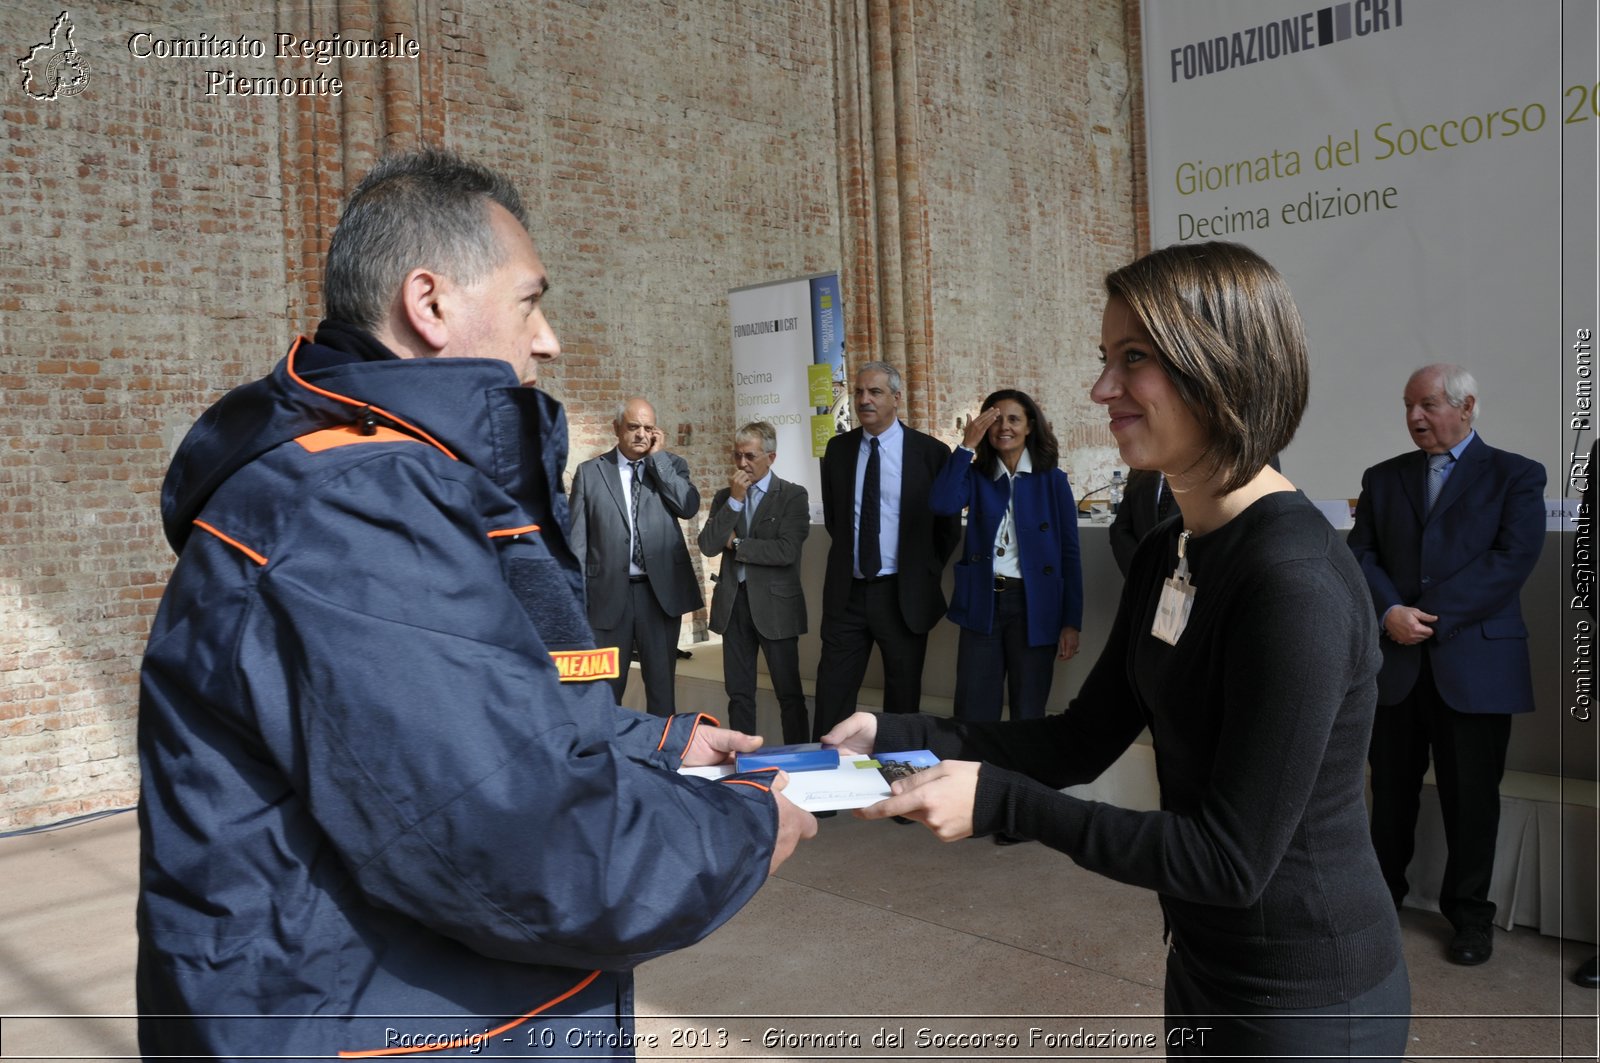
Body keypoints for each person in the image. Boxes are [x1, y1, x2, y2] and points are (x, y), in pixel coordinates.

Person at [136, 149, 816, 1060]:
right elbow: (520, 839)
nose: (550, 340)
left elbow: (480, 712)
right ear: (432, 303)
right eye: (532, 300)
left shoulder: (386, 479)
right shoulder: (353, 510)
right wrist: (748, 823)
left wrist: (657, 743)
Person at [826, 242, 1409, 1059]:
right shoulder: (1171, 550)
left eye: (1132, 360)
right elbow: (1076, 739)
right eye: (1106, 359)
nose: (1101, 390)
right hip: (1207, 960)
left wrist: (1000, 800)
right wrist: (891, 735)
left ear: (1223, 368)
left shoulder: (1294, 583)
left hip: (1305, 994)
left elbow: (1228, 860)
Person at [1347, 364, 1546, 967]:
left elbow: (1511, 561)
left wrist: (1422, 614)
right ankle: (1379, 906)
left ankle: (1470, 920)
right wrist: (1389, 614)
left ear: (1467, 407)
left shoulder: (1516, 474)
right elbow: (1362, 555)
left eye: (1428, 405)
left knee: (1472, 800)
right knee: (1391, 797)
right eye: (1408, 405)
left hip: (1476, 665)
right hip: (1397, 667)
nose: (1414, 418)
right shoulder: (1383, 479)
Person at [811, 362, 961, 740]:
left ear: (896, 398)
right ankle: (824, 787)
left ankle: (895, 784)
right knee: (831, 695)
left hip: (902, 595)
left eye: (874, 392)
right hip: (848, 594)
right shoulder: (838, 450)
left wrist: (920, 571)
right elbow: (836, 520)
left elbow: (946, 529)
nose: (864, 400)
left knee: (903, 698)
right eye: (859, 392)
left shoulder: (930, 453)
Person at [930, 389, 1083, 724]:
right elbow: (941, 503)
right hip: (983, 602)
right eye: (996, 419)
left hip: (1034, 605)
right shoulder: (976, 475)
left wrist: (1071, 621)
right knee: (973, 710)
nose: (1004, 427)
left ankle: (1019, 778)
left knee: (1028, 711)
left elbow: (1070, 553)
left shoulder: (1053, 481)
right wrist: (966, 446)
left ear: (1030, 426)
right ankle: (972, 776)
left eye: (1014, 419)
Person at [569, 396, 704, 716]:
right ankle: (607, 760)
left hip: (658, 596)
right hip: (606, 596)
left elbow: (688, 506)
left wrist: (658, 461)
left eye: (648, 428)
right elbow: (576, 541)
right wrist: (576, 600)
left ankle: (662, 758)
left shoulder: (672, 466)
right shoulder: (590, 473)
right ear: (616, 428)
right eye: (633, 427)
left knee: (661, 689)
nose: (641, 434)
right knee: (605, 689)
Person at [697, 421, 812, 743]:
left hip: (776, 607)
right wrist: (734, 502)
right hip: (734, 605)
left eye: (749, 456)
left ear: (771, 457)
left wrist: (736, 545)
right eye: (737, 456)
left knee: (789, 694)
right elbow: (707, 544)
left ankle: (800, 755)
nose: (742, 464)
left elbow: (786, 550)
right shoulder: (725, 497)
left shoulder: (791, 495)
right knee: (739, 692)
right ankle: (742, 758)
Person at [1108, 468, 1172, 576]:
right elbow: (1120, 529)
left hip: (1190, 579)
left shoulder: (1204, 472)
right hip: (1143, 578)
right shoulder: (1140, 472)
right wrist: (1140, 568)